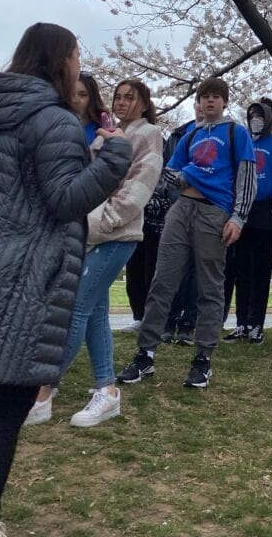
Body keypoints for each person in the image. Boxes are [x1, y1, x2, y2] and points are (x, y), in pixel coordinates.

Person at [0, 23, 132, 537]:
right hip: (23, 281)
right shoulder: (54, 120)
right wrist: (114, 157)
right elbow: (64, 199)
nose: (79, 64)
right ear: (60, 60)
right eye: (76, 54)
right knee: (4, 411)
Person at [27, 79, 164, 427]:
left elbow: (140, 186)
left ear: (144, 103)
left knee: (75, 309)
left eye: (130, 97)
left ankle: (42, 390)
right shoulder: (109, 133)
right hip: (93, 232)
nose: (122, 102)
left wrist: (103, 220)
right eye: (118, 96)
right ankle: (107, 390)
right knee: (96, 314)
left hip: (116, 233)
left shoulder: (148, 134)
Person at [117, 77, 257, 389]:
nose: (210, 101)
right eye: (205, 96)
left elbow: (247, 177)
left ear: (224, 101)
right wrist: (186, 177)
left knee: (210, 287)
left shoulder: (236, 133)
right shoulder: (191, 135)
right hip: (181, 209)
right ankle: (145, 354)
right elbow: (169, 172)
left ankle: (203, 358)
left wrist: (238, 218)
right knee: (162, 281)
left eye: (216, 96)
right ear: (199, 102)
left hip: (214, 212)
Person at [222, 101, 272, 344]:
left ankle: (256, 324)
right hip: (243, 211)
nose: (255, 120)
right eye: (251, 116)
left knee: (261, 271)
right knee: (241, 270)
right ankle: (241, 323)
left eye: (260, 116)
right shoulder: (246, 143)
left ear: (270, 118)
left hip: (265, 210)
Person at [159, 100, 203, 344]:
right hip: (178, 207)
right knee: (174, 267)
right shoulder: (178, 135)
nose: (204, 105)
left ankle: (188, 324)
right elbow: (166, 169)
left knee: (197, 271)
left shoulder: (222, 136)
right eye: (200, 101)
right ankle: (169, 320)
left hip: (206, 210)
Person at [73, 71, 111, 145]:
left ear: (92, 98)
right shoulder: (56, 123)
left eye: (82, 95)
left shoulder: (102, 125)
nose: (76, 100)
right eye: (71, 94)